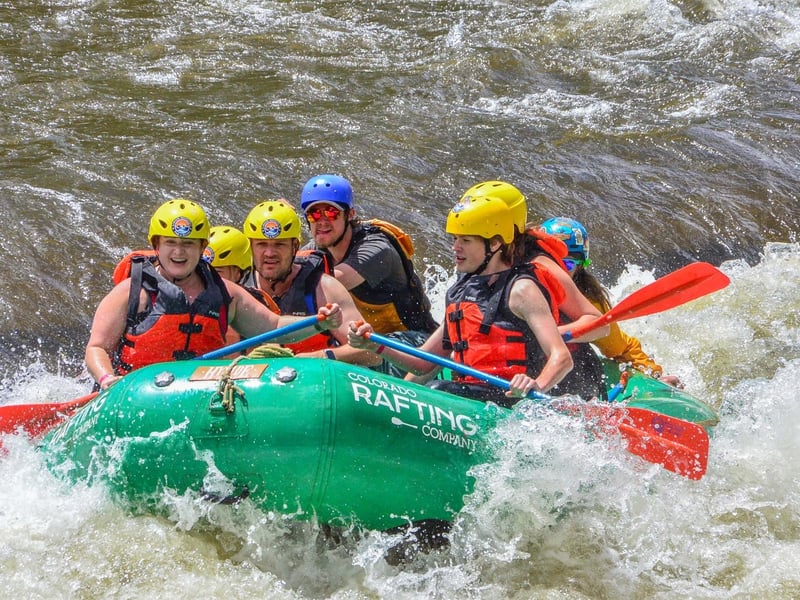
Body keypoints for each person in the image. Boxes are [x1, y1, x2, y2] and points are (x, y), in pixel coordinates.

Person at [348, 187, 574, 407]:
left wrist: (534, 386)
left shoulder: (522, 290)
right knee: (439, 388)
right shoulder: (460, 293)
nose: (455, 247)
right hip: (470, 399)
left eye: (466, 240)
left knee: (439, 389)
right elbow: (423, 364)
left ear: (495, 243)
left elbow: (562, 357)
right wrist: (374, 345)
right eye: (455, 239)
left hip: (511, 401)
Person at [85, 199, 342, 389]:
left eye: (188, 244)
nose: (179, 252)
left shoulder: (225, 292)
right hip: (136, 391)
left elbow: (274, 327)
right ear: (156, 245)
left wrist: (319, 323)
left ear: (202, 247)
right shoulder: (131, 292)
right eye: (171, 242)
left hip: (199, 391)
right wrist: (107, 379)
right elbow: (97, 347)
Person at [459, 181, 611, 400]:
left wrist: (549, 334)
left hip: (568, 379)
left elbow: (599, 324)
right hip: (518, 372)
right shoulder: (480, 261)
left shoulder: (540, 264)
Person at [540, 217, 682, 387]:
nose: (558, 271)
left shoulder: (589, 302)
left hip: (569, 373)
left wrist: (655, 376)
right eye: (552, 262)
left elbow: (622, 348)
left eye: (567, 264)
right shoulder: (523, 284)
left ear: (580, 267)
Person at [299, 174, 438, 343]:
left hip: (416, 340)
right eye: (313, 214)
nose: (322, 221)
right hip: (366, 339)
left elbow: (326, 283)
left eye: (331, 212)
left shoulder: (377, 250)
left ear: (350, 214)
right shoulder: (314, 250)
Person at [242, 199, 379, 365]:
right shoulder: (238, 290)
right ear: (250, 247)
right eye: (261, 244)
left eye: (279, 245)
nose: (270, 253)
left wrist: (319, 356)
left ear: (295, 246)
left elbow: (371, 353)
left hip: (317, 375)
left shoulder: (324, 288)